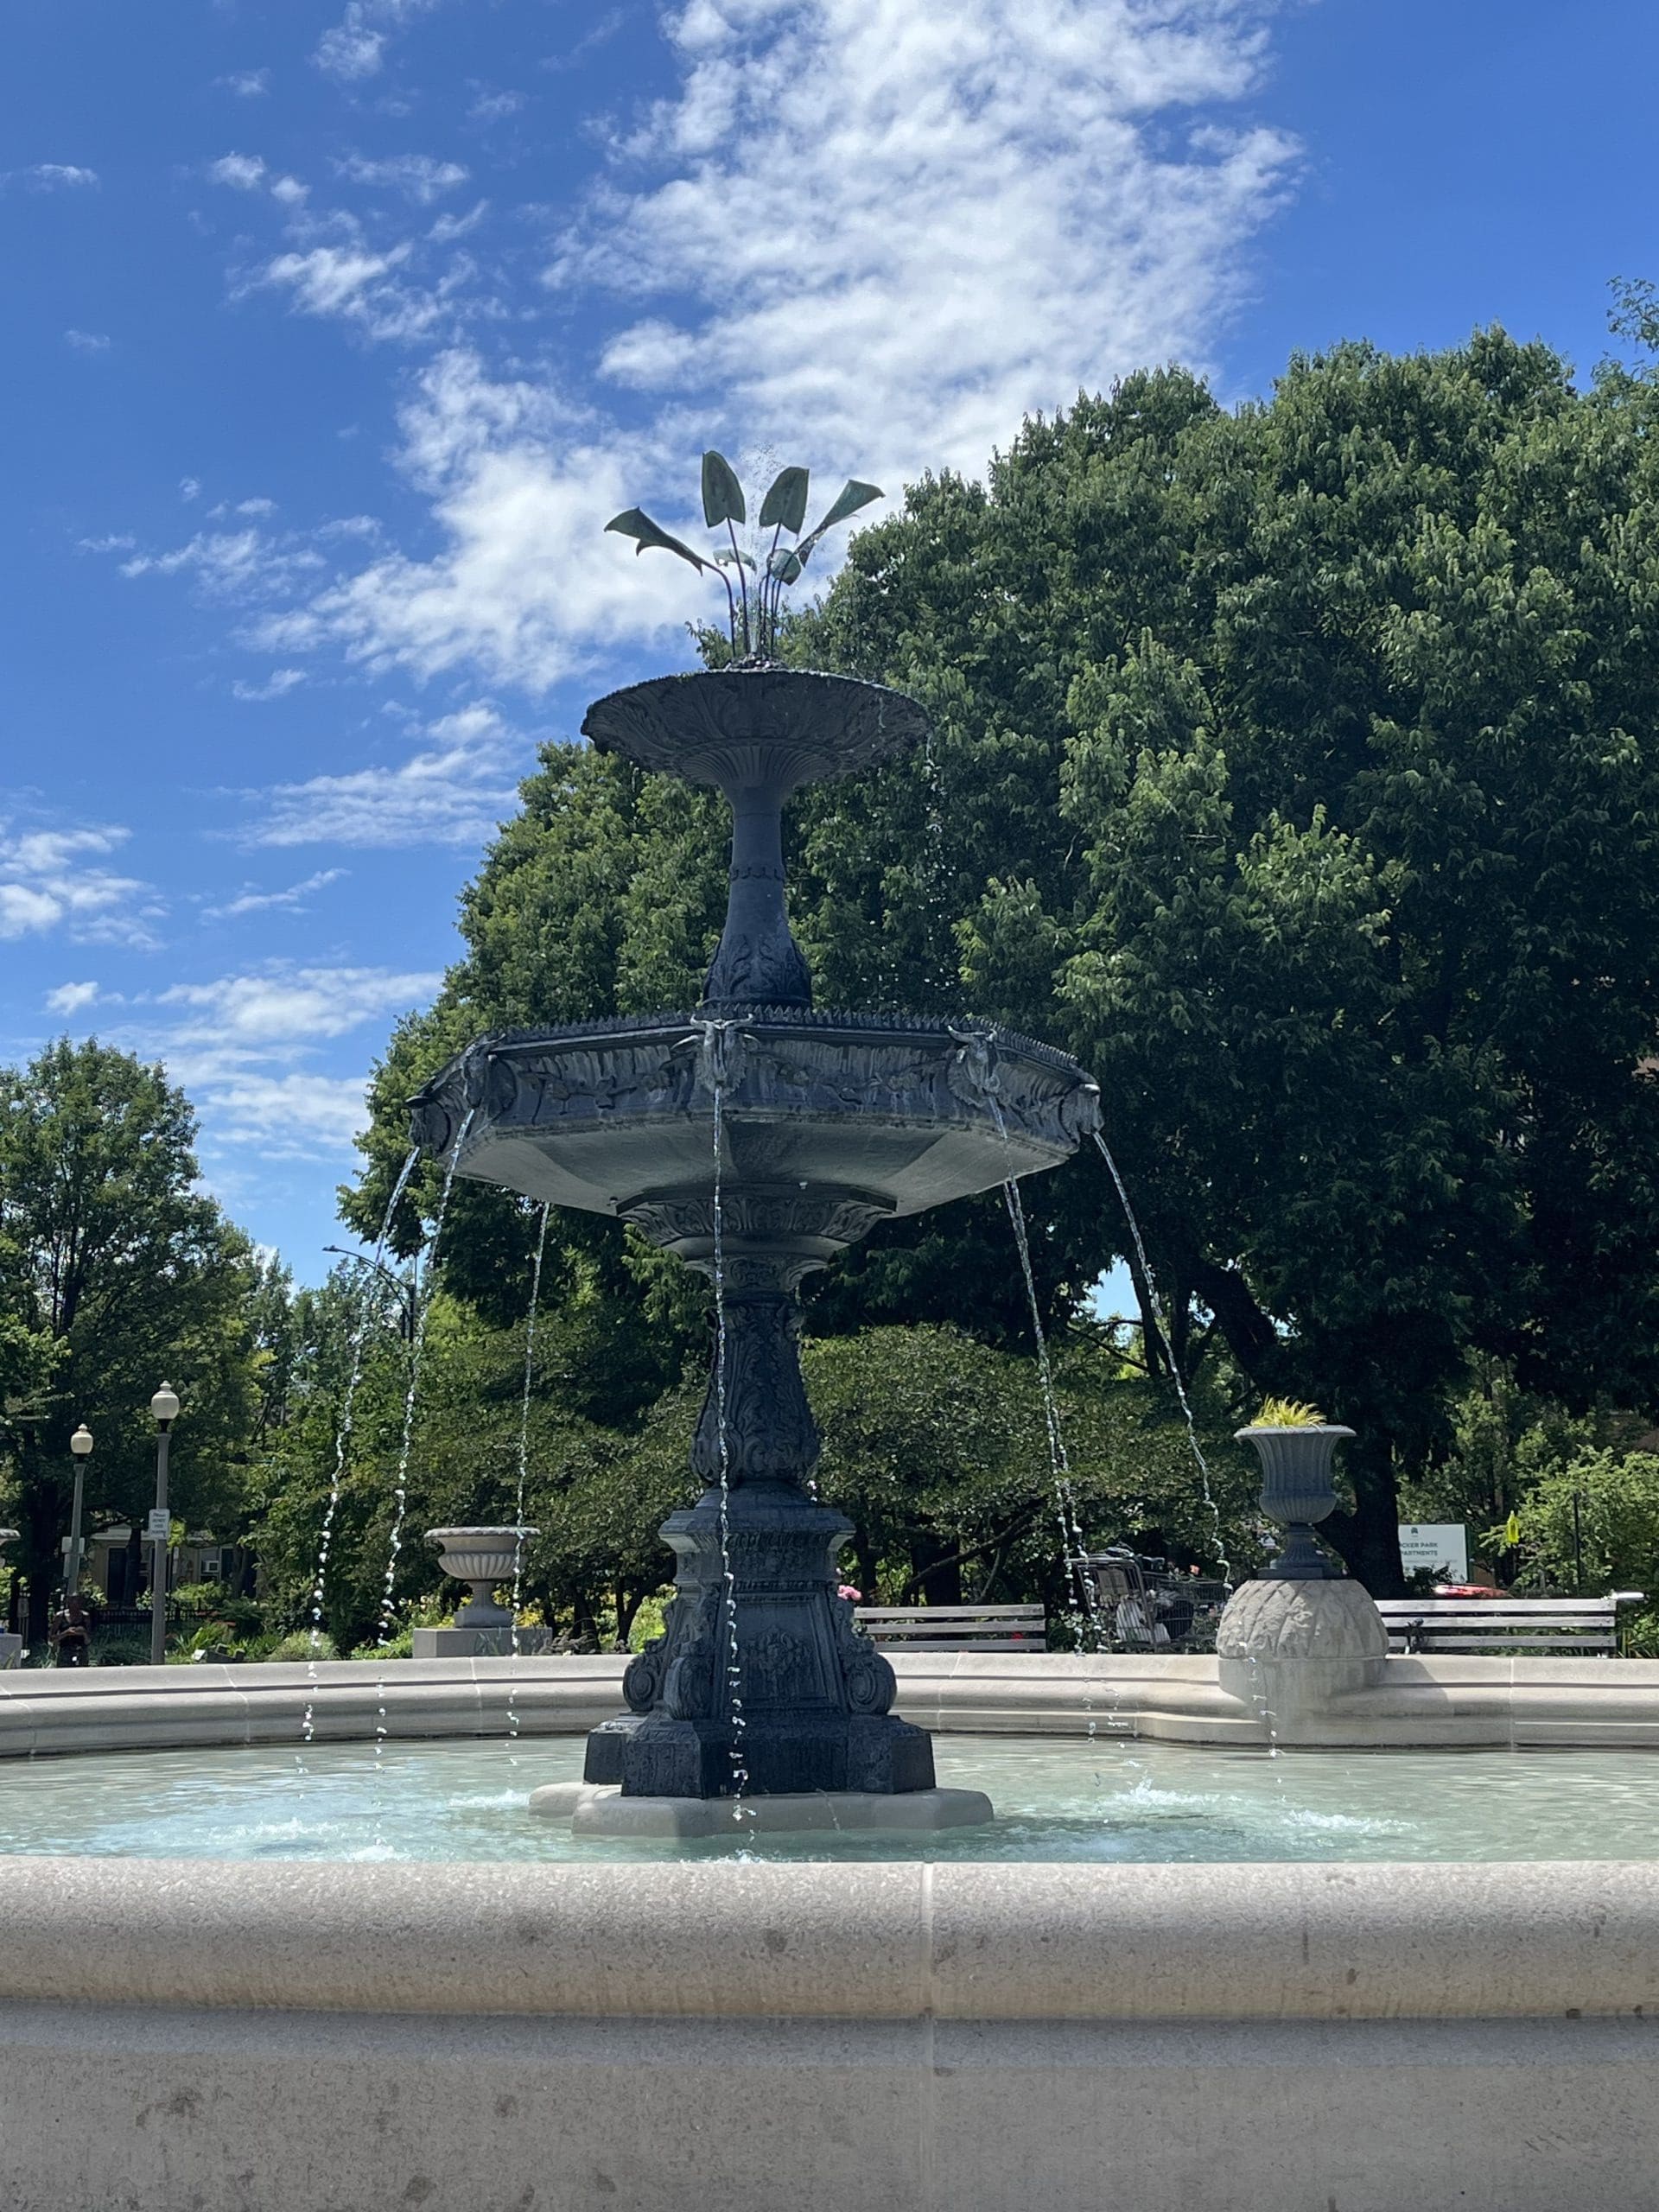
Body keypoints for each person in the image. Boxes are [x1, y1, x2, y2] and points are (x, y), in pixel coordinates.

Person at [50, 1591, 93, 1668]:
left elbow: (89, 1641)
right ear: (67, 1601)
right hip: (65, 1651)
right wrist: (66, 1633)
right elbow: (52, 1638)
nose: (75, 1603)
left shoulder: (85, 1616)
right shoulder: (60, 1616)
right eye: (72, 1600)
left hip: (81, 1651)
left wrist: (83, 1633)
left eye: (77, 1600)